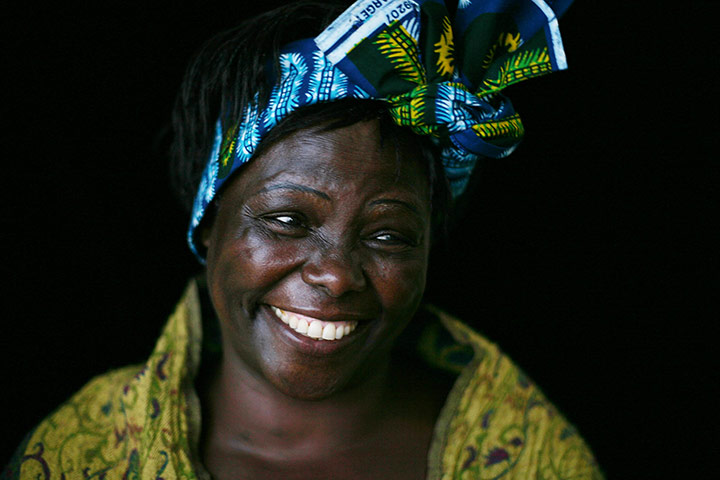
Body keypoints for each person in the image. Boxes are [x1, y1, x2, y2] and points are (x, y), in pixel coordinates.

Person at [4, 1, 603, 479]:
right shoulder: (84, 454)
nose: (337, 275)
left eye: (389, 234)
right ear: (209, 224)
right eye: (288, 220)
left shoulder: (527, 455)